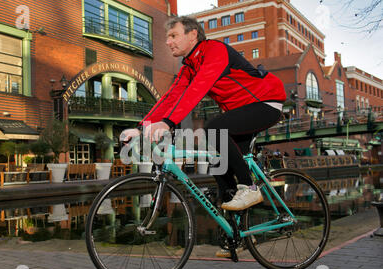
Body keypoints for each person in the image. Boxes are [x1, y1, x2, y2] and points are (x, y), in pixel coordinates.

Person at [121, 16, 285, 212]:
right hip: (240, 111)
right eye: (167, 37)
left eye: (173, 35)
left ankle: (249, 188)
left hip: (265, 103)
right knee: (219, 164)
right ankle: (236, 230)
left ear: (192, 35)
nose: (168, 42)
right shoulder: (189, 66)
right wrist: (142, 128)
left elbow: (196, 90)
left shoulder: (215, 50)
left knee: (214, 129)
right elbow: (172, 96)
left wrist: (167, 123)